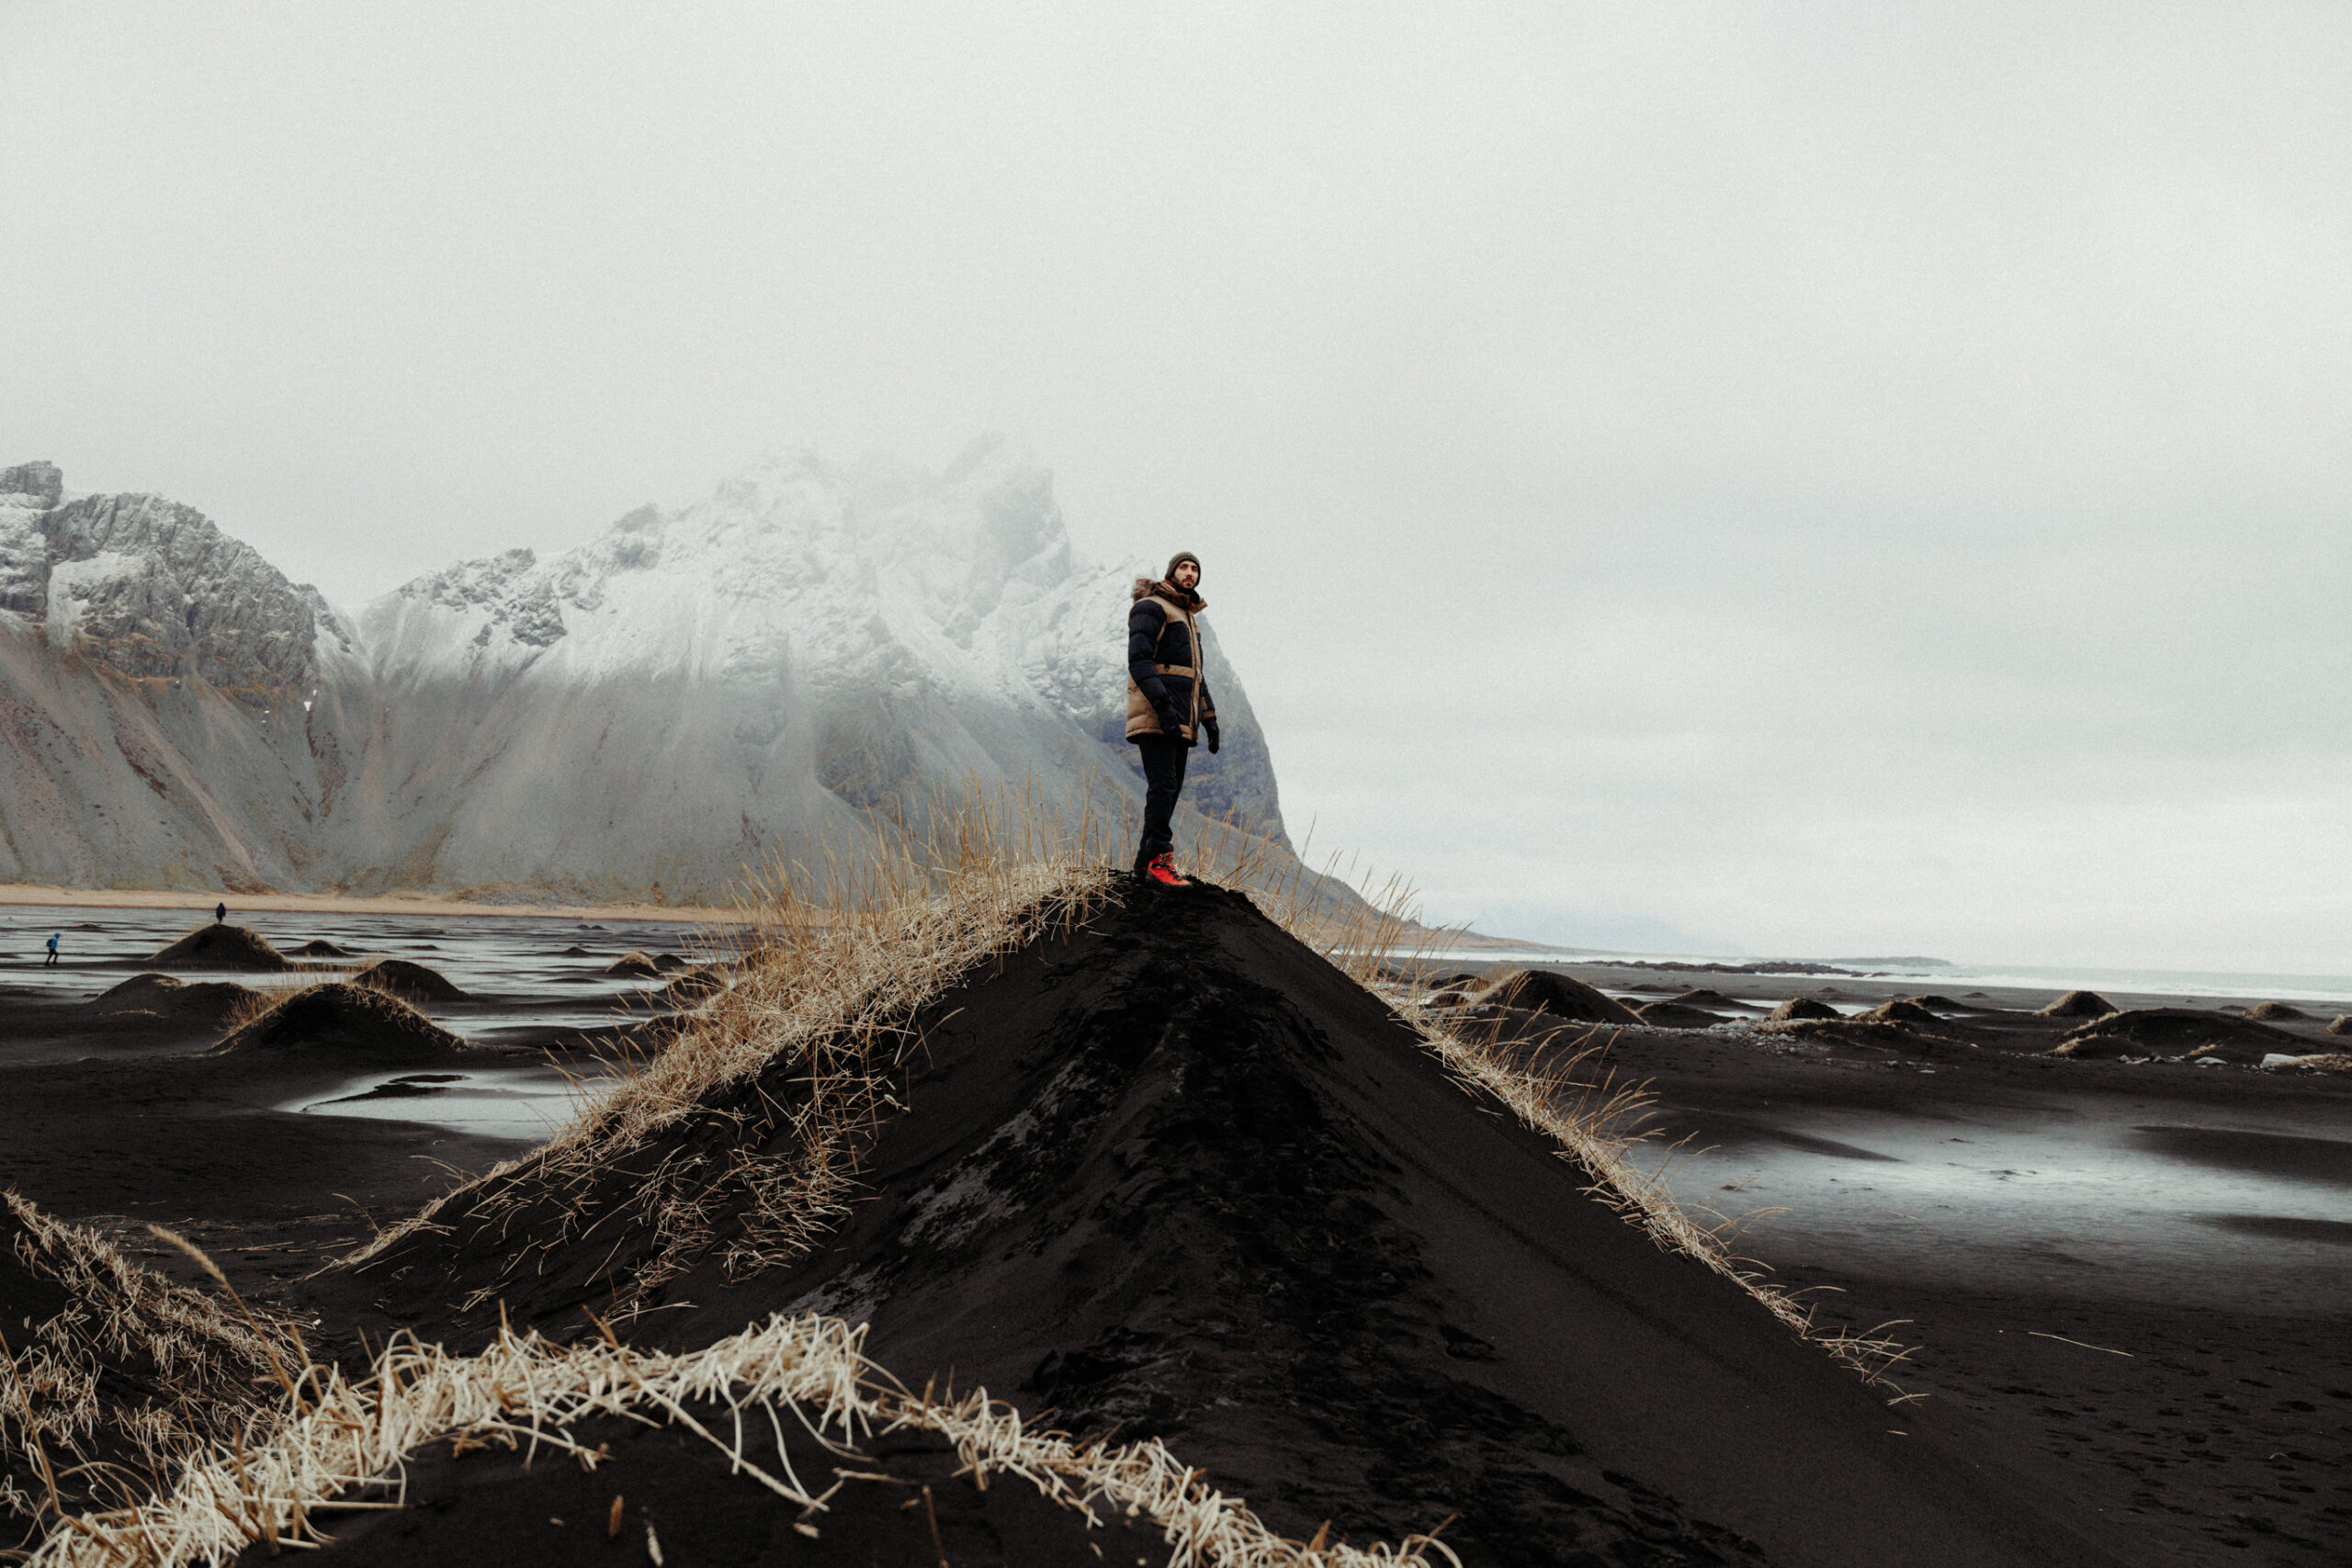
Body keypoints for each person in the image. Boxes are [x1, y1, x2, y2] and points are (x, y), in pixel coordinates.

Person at [1125, 550, 1220, 886]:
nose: (1190, 572)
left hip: (1181, 719)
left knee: (1171, 788)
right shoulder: (1151, 607)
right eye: (1184, 566)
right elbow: (1138, 660)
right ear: (1171, 572)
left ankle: (1143, 867)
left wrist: (1209, 719)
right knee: (1163, 787)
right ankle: (1158, 861)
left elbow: (1195, 677)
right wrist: (1164, 707)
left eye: (1195, 568)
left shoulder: (1188, 616)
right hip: (1156, 716)